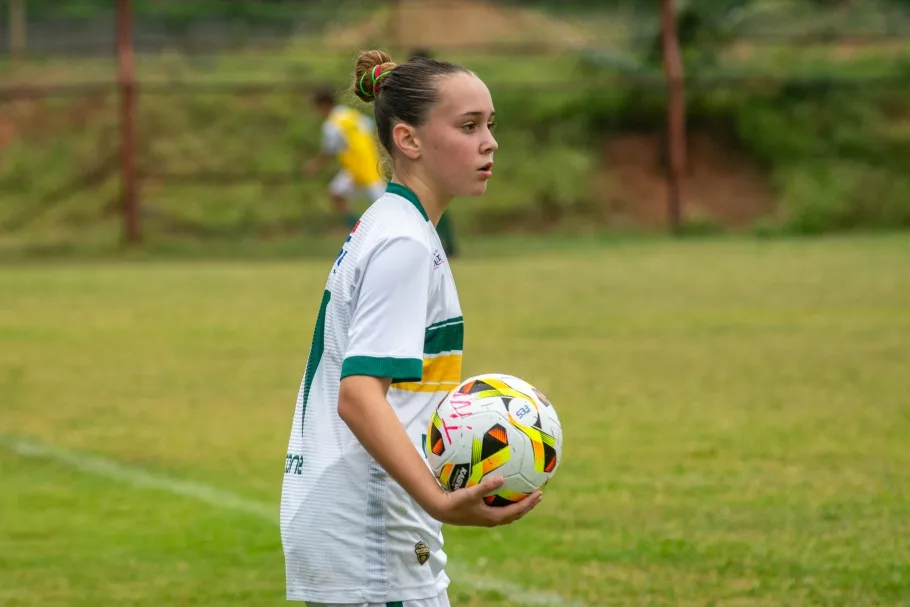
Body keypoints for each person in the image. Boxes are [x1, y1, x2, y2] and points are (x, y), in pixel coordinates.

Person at [280, 50, 541, 607]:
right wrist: (438, 500)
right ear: (409, 139)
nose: (489, 142)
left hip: (358, 528)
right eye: (468, 126)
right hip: (371, 535)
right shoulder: (404, 242)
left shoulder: (392, 224)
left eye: (490, 125)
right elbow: (359, 396)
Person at [303, 86, 387, 229]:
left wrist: (313, 166)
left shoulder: (331, 125)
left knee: (386, 207)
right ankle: (359, 227)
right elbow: (370, 127)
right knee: (335, 192)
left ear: (323, 106)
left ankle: (363, 228)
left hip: (362, 170)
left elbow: (328, 152)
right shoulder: (351, 115)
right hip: (366, 165)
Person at [408, 47, 459, 258]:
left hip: (426, 152)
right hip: (437, 150)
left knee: (427, 199)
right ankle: (446, 245)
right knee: (435, 199)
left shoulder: (417, 91)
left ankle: (440, 245)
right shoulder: (441, 88)